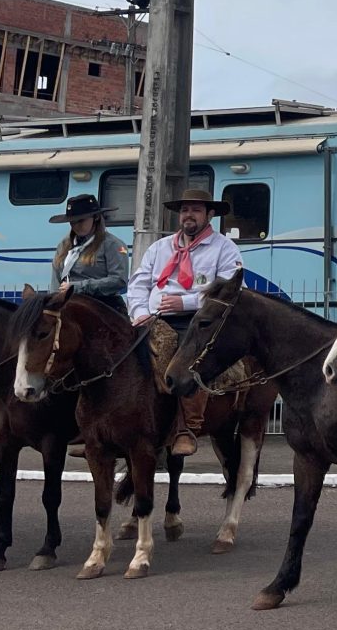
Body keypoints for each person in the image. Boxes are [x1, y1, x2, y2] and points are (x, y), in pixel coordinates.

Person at [126, 192, 243, 459]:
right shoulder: (160, 248)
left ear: (209, 215)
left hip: (199, 320)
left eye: (196, 210)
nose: (188, 215)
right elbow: (138, 284)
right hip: (153, 318)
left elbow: (231, 290)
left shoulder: (224, 248)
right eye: (185, 210)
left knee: (188, 359)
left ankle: (186, 428)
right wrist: (141, 313)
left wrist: (186, 302)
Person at [49, 194, 130, 309]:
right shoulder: (64, 245)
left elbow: (119, 280)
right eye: (72, 222)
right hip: (68, 305)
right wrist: (54, 301)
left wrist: (77, 287)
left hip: (104, 306)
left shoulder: (112, 244)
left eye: (81, 221)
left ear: (96, 218)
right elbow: (56, 277)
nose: (76, 226)